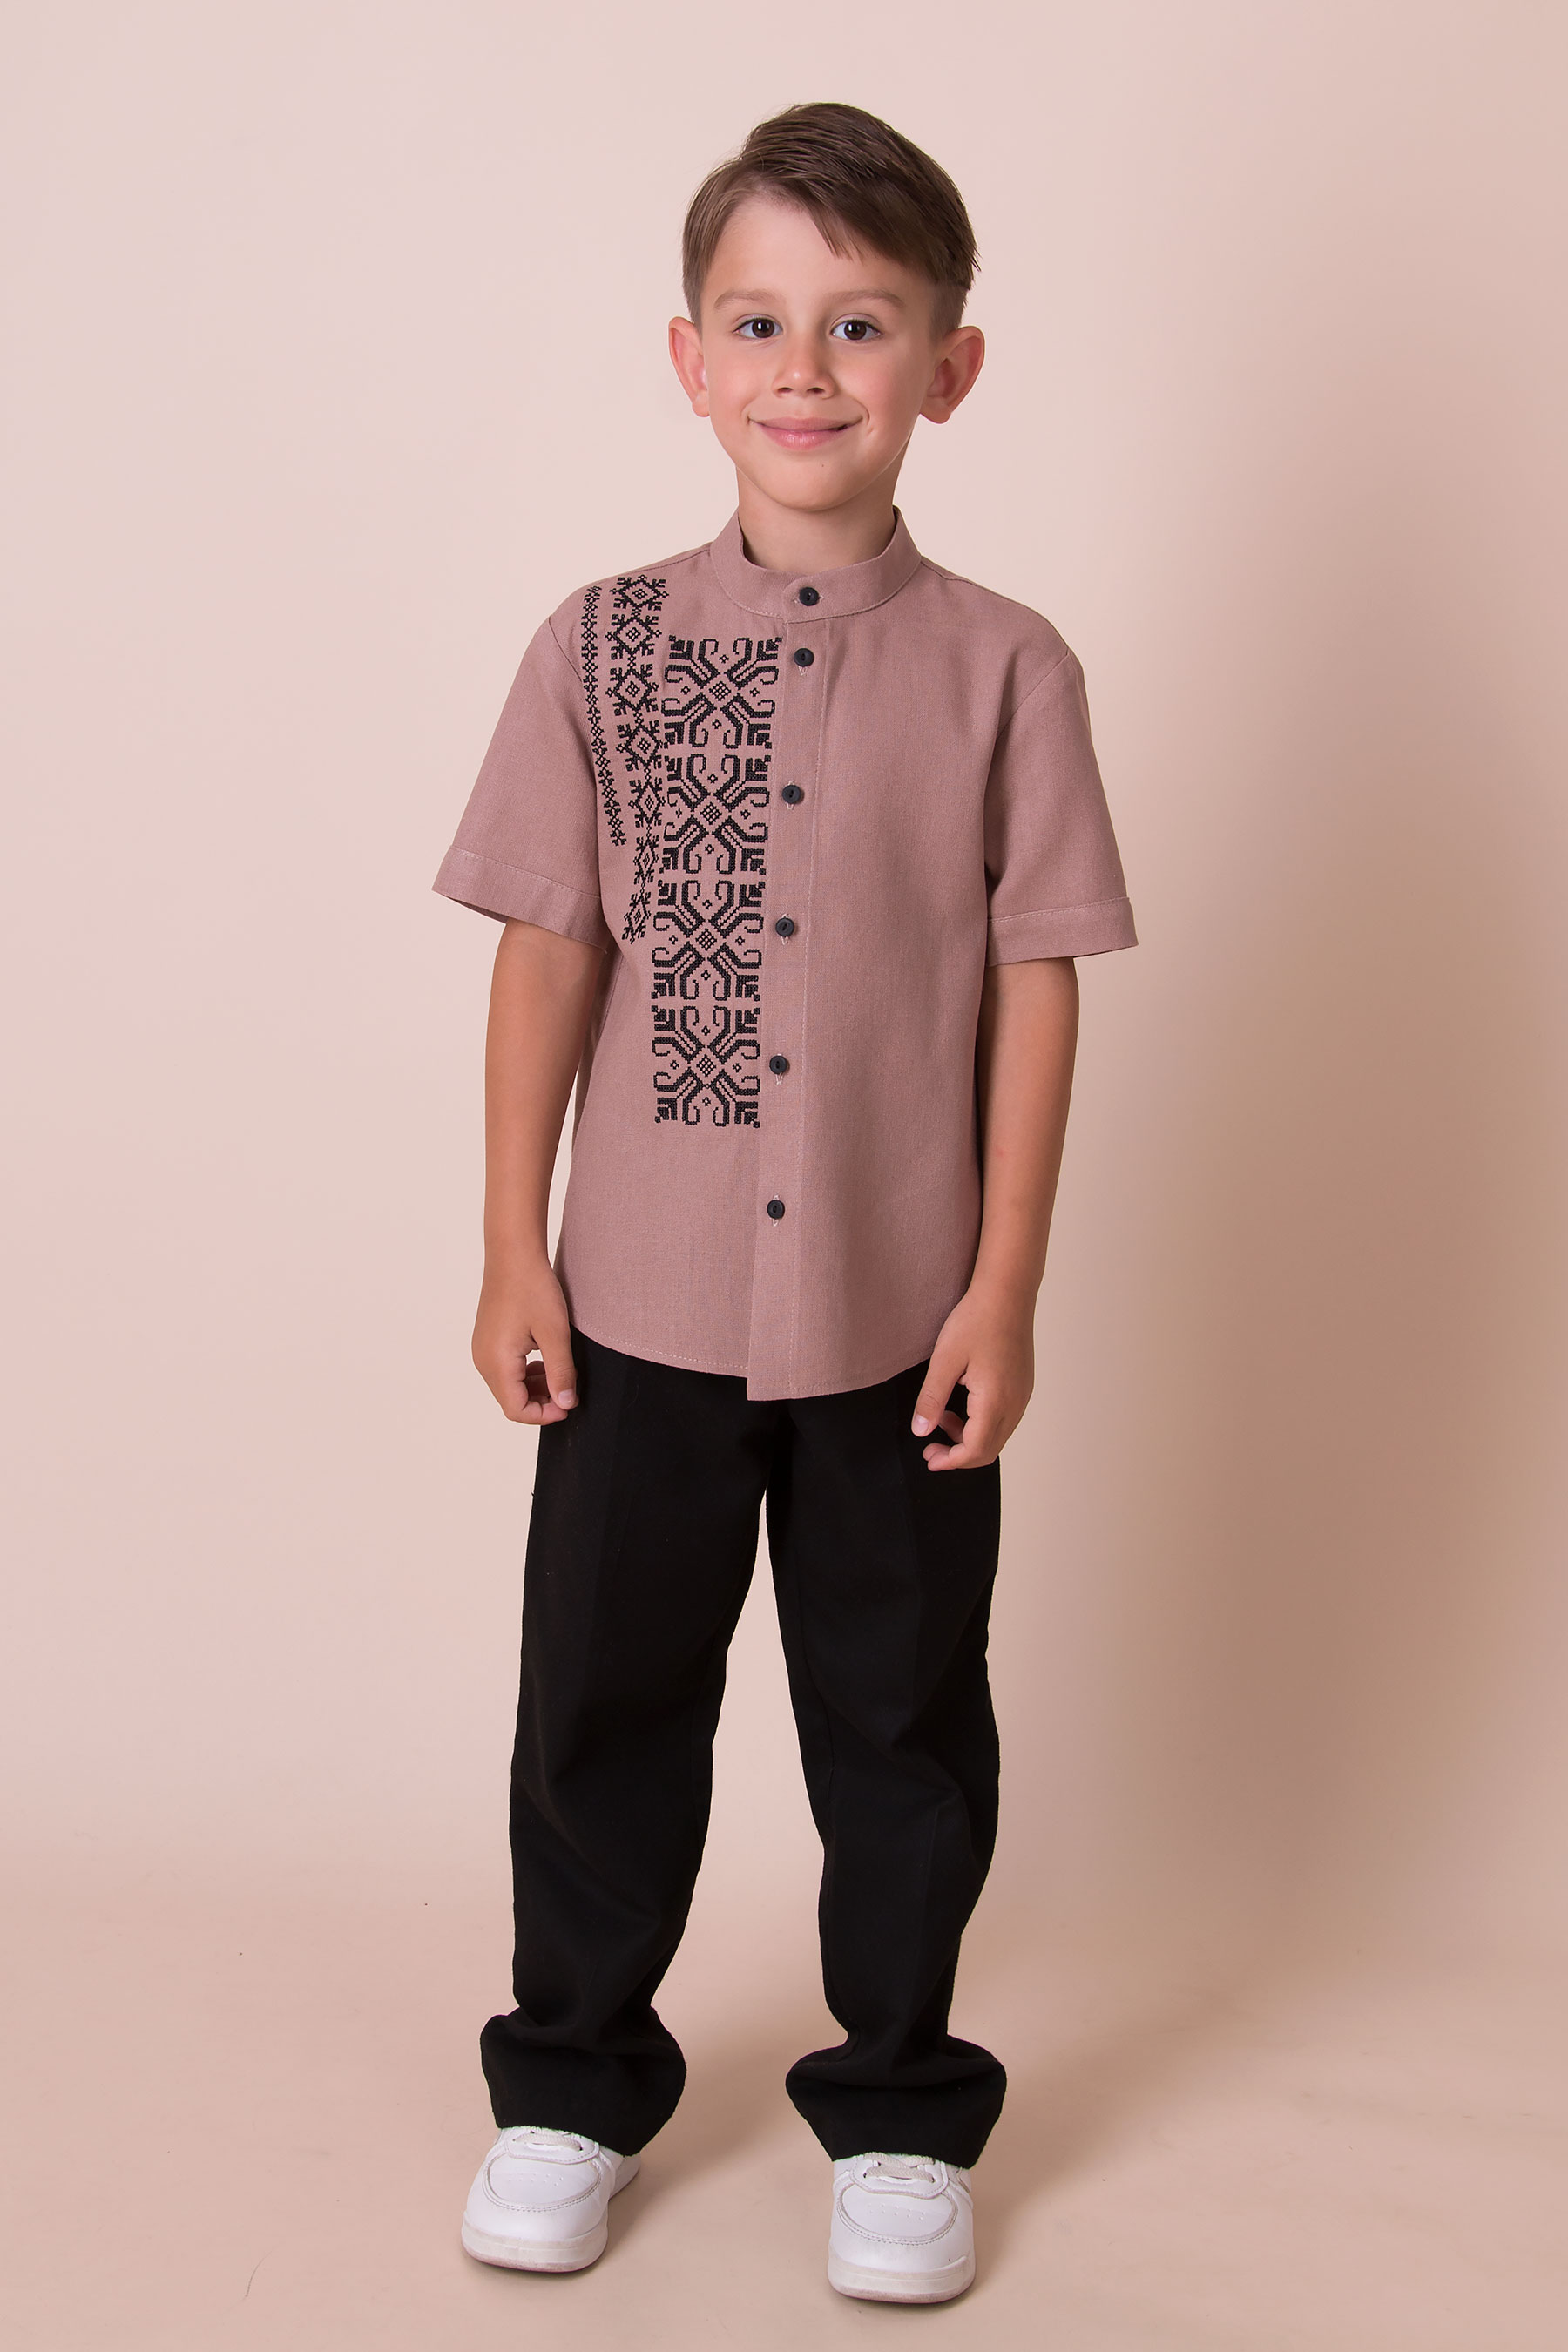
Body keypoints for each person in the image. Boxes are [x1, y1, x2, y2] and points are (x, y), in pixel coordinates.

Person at [431, 99, 1136, 2305]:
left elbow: (1036, 981)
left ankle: (902, 2112)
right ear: (687, 358)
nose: (804, 367)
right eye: (757, 321)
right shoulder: (602, 646)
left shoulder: (1012, 669)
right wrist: (515, 1242)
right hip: (637, 1301)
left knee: (904, 1723)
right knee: (601, 1704)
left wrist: (1004, 1286)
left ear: (950, 366)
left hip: (897, 1316)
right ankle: (570, 2080)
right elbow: (550, 946)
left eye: (860, 321)